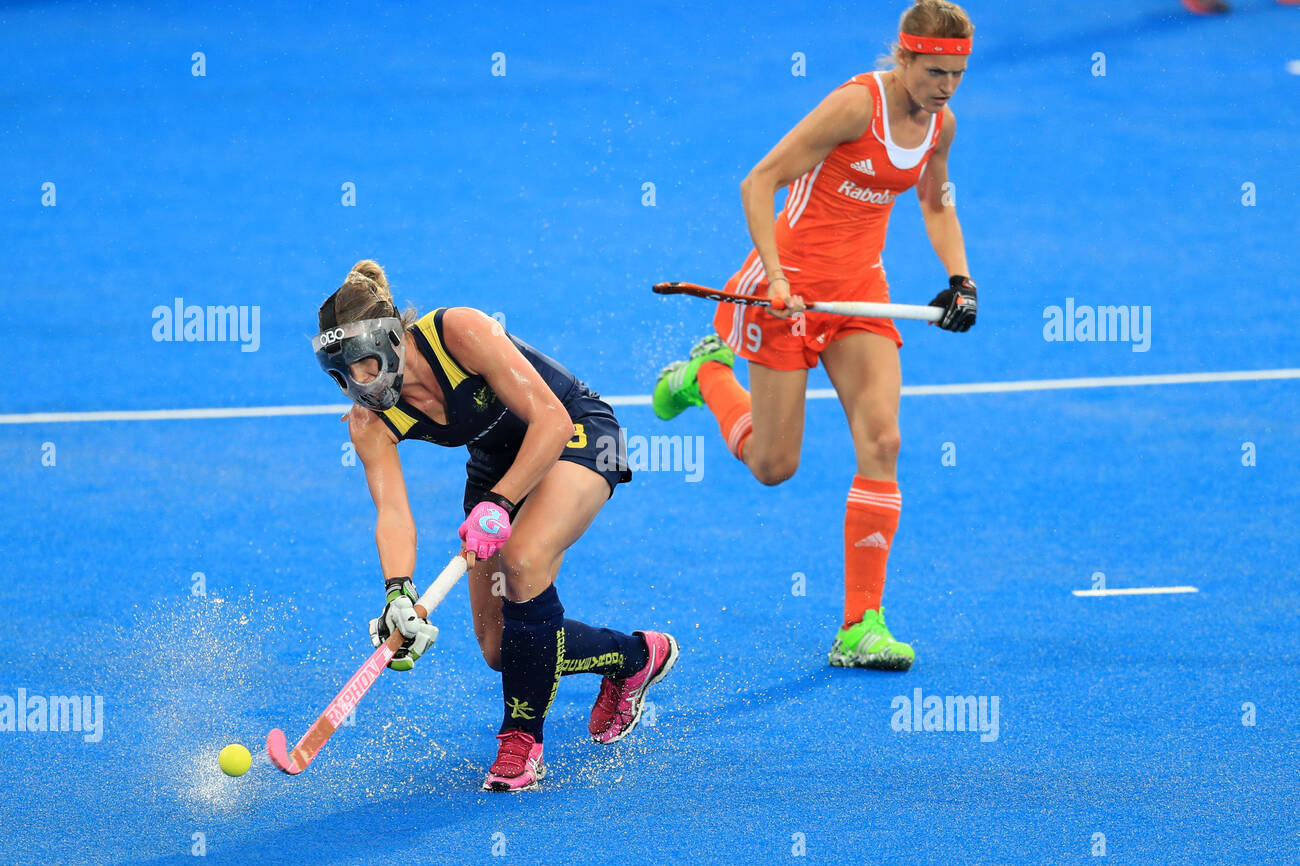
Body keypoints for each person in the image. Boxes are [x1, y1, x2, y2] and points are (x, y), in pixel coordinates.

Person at [652, 0, 977, 671]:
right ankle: (707, 375)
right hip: (788, 290)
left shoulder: (939, 126)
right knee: (774, 465)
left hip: (860, 293)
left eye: (957, 75)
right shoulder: (857, 106)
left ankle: (861, 625)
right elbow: (759, 181)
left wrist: (960, 278)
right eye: (935, 71)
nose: (945, 86)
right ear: (905, 56)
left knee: (883, 440)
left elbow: (934, 200)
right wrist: (773, 278)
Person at [313, 260, 678, 791]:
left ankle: (521, 742)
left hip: (578, 432)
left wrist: (501, 503)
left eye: (366, 366)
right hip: (498, 466)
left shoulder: (458, 331)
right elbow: (392, 511)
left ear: (392, 338)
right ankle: (635, 658)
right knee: (500, 646)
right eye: (344, 376)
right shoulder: (368, 421)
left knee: (523, 559)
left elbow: (550, 420)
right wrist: (397, 592)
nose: (359, 386)